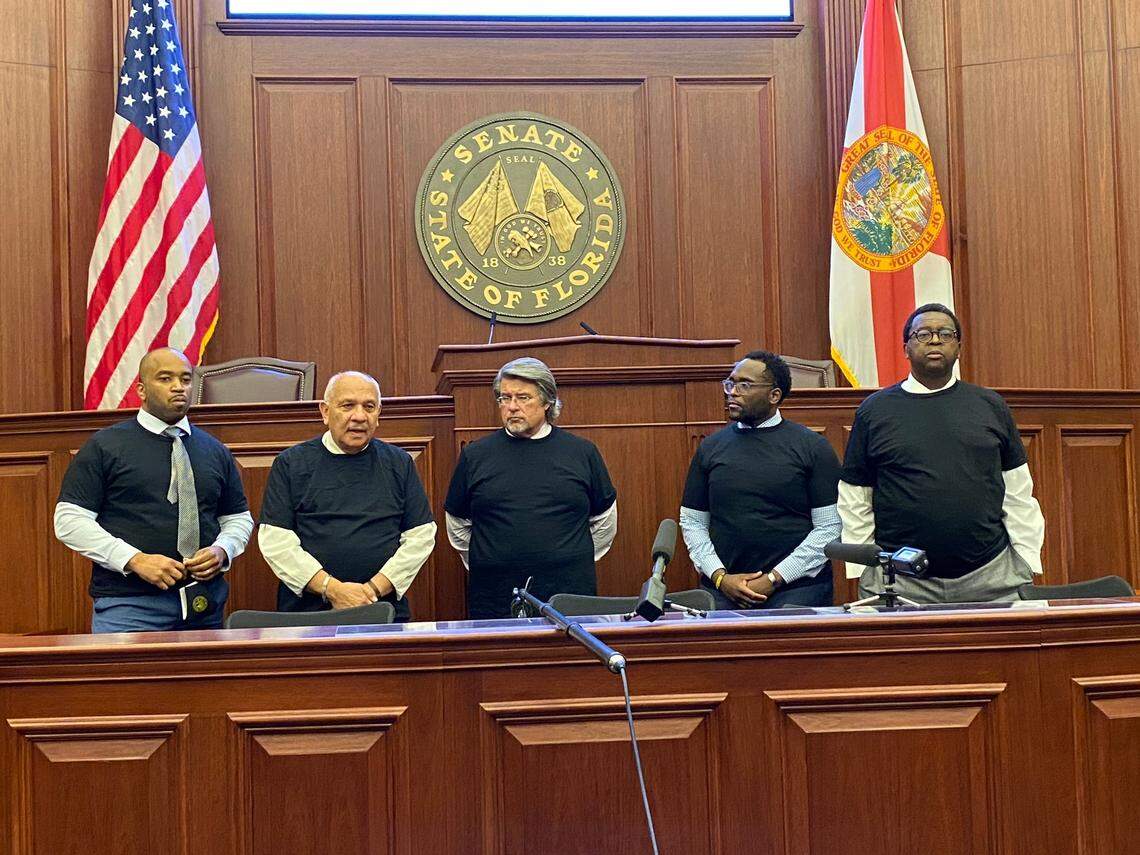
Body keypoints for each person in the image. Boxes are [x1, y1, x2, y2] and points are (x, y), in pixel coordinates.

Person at [838, 302, 1045, 603]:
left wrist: (1025, 558)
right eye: (923, 334)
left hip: (992, 577)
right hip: (900, 582)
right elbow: (855, 495)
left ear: (959, 348)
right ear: (906, 348)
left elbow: (1018, 491)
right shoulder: (874, 410)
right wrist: (865, 569)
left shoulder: (990, 405)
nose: (935, 340)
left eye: (945, 334)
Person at [54, 348, 253, 632]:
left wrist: (223, 549)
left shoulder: (214, 450)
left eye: (185, 379)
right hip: (129, 608)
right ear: (142, 390)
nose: (178, 387)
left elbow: (238, 518)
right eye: (165, 378)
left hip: (203, 607)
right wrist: (134, 560)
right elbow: (69, 521)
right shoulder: (105, 446)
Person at [444, 358, 617, 619]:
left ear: (547, 401)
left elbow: (604, 521)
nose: (512, 406)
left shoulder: (582, 453)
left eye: (523, 398)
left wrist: (568, 558)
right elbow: (457, 524)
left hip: (569, 597)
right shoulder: (475, 455)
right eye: (505, 398)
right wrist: (490, 559)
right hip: (494, 598)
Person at [257, 371, 435, 621]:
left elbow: (421, 536)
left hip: (383, 609)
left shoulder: (399, 463)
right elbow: (276, 540)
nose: (359, 416)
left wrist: (371, 590)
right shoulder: (291, 463)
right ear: (325, 411)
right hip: (307, 614)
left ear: (378, 414)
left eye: (369, 407)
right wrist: (332, 589)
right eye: (348, 405)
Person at [680, 350, 841, 610]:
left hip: (797, 588)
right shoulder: (710, 448)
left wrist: (774, 578)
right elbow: (692, 521)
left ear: (774, 395)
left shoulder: (813, 447)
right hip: (723, 589)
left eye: (744, 385)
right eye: (730, 383)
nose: (732, 392)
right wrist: (720, 577)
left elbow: (829, 527)